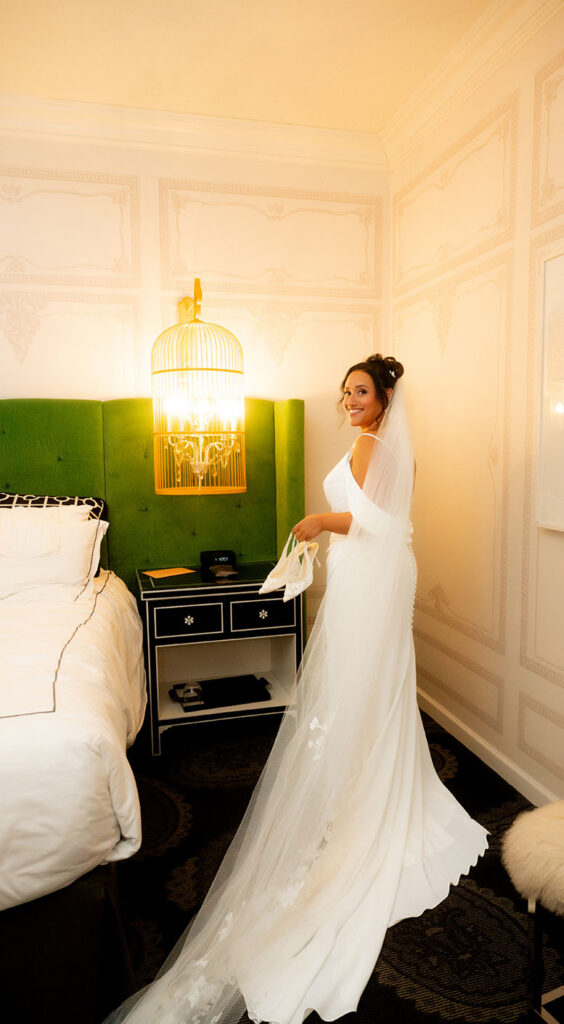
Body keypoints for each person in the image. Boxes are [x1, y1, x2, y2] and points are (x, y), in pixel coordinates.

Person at [106, 354, 488, 1024]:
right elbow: (388, 519)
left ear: (385, 397)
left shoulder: (373, 445)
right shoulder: (386, 448)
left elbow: (368, 520)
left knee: (357, 678)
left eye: (361, 392)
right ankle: (367, 771)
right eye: (345, 393)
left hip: (373, 570)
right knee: (368, 680)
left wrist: (315, 522)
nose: (349, 401)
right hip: (382, 569)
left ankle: (362, 784)